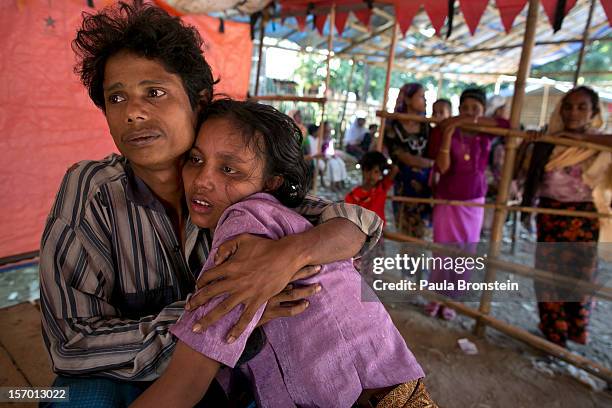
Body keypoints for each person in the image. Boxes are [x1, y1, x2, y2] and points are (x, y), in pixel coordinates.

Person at [38, 2, 383, 406]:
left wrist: (285, 256)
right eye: (117, 98)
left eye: (154, 92)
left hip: (228, 369)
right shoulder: (92, 190)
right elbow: (71, 342)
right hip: (127, 375)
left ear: (198, 102)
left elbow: (357, 225)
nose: (133, 113)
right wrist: (222, 314)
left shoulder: (238, 186)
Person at [133, 99, 434, 408]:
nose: (202, 180)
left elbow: (183, 386)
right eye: (195, 160)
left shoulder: (245, 221)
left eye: (229, 169)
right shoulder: (281, 215)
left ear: (272, 182)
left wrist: (290, 253)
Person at [521, 86, 611, 347]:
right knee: (548, 274)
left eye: (582, 107)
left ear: (594, 112)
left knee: (581, 276)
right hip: (550, 217)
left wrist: (574, 139)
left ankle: (575, 328)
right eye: (568, 106)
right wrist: (540, 140)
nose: (574, 112)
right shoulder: (549, 142)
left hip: (585, 220)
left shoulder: (599, 143)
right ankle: (553, 333)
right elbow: (527, 172)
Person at [426, 88, 511, 319]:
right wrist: (450, 130)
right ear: (458, 108)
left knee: (465, 252)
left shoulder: (485, 133)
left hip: (473, 200)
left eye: (475, 109)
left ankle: (452, 302)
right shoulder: (448, 131)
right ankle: (436, 298)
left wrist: (472, 120)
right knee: (442, 251)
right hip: (446, 198)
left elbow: (508, 125)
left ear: (483, 111)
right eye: (464, 108)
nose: (469, 113)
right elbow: (442, 168)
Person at [384, 83, 434, 239]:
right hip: (404, 185)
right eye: (421, 97)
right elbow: (402, 156)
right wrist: (431, 164)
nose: (425, 101)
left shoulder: (426, 126)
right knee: (405, 232)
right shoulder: (394, 126)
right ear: (407, 99)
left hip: (426, 186)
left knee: (423, 233)